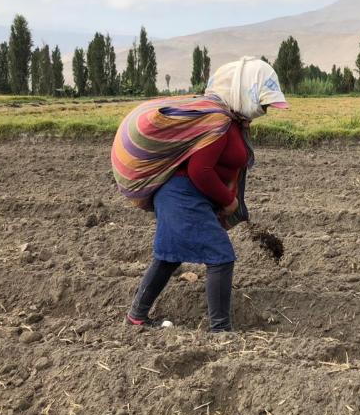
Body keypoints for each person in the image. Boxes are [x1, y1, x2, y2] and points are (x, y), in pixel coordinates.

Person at [124, 57, 289, 331]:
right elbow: (200, 170)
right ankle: (220, 331)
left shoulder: (231, 119)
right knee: (220, 256)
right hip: (181, 196)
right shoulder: (218, 120)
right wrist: (228, 200)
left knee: (169, 255)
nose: (265, 109)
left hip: (178, 195)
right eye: (263, 101)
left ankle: (136, 316)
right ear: (243, 90)